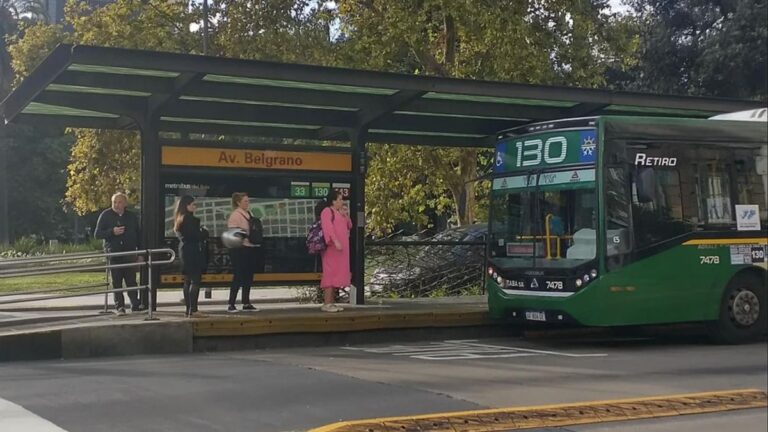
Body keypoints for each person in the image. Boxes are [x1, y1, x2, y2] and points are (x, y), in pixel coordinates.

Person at [94, 192, 143, 315]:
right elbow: (97, 234)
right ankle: (120, 307)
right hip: (114, 253)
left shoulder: (131, 216)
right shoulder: (105, 215)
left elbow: (139, 235)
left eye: (119, 202)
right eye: (114, 202)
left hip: (129, 252)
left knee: (131, 280)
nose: (116, 204)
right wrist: (112, 232)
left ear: (125, 203)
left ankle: (135, 305)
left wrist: (141, 253)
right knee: (117, 281)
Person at [318, 190, 353, 313]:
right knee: (330, 274)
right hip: (332, 249)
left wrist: (346, 215)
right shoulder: (327, 211)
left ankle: (331, 302)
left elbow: (350, 225)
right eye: (339, 199)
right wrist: (335, 241)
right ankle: (327, 302)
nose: (341, 201)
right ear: (333, 201)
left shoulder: (339, 212)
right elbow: (328, 227)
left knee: (336, 274)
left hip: (340, 250)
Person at [174, 195, 209, 318]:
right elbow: (196, 236)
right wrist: (204, 231)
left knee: (187, 281)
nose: (195, 207)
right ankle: (193, 309)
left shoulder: (179, 219)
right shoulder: (190, 220)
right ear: (187, 205)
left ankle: (188, 309)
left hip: (184, 251)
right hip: (193, 252)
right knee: (195, 280)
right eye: (193, 204)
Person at [226, 192, 259, 312]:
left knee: (248, 276)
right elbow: (233, 232)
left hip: (249, 247)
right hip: (239, 249)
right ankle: (231, 303)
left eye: (248, 201)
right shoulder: (235, 215)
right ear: (238, 202)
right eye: (245, 201)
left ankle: (246, 302)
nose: (247, 203)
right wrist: (245, 234)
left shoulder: (248, 213)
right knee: (238, 275)